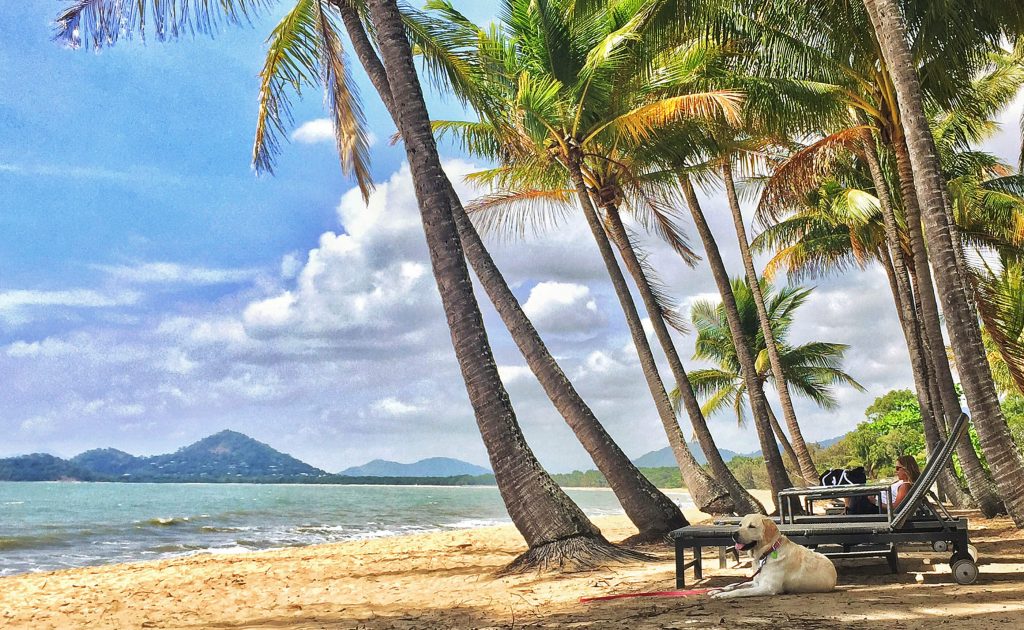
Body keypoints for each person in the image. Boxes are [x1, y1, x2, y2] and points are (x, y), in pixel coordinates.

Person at [845, 455, 921, 515]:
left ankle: (845, 516)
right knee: (852, 493)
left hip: (878, 508)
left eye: (898, 468)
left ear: (906, 469)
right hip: (875, 503)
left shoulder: (905, 486)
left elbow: (896, 508)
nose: (896, 471)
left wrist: (875, 502)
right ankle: (845, 514)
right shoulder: (902, 482)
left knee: (853, 492)